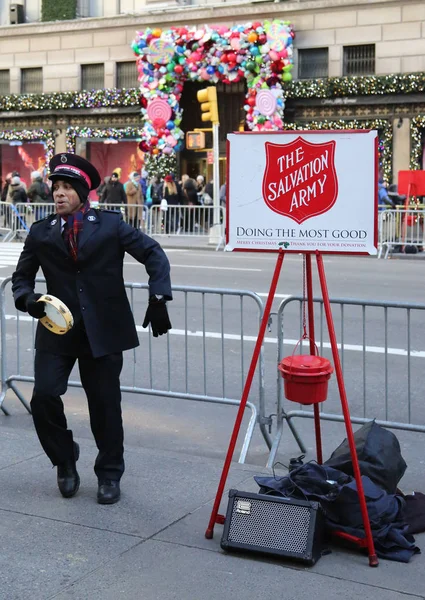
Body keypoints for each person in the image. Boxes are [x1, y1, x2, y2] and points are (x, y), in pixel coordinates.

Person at [11, 153, 172, 505]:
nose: (59, 193)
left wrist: (158, 296)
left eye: (67, 187)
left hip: (104, 330)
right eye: (56, 186)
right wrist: (29, 301)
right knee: (44, 398)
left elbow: (153, 253)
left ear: (83, 193)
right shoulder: (41, 233)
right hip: (57, 330)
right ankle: (65, 459)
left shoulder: (111, 225)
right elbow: (20, 279)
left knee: (104, 405)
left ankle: (110, 473)